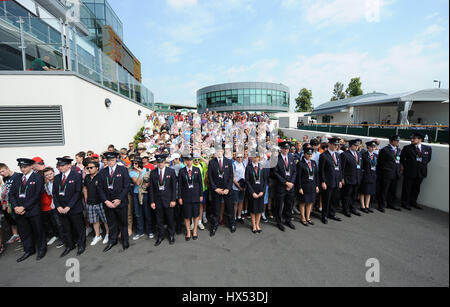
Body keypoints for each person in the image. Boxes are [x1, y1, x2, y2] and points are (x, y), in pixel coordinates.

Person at [9, 158, 47, 262]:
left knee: (38, 231)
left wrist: (23, 207)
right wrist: (16, 207)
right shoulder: (17, 178)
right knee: (24, 232)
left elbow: (37, 195)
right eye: (21, 167)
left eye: (25, 167)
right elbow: (11, 194)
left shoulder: (38, 177)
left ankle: (41, 250)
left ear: (31, 166)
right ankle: (29, 250)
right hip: (19, 211)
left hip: (32, 210)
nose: (22, 169)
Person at [52, 157, 86, 257]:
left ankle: (81, 244)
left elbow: (78, 192)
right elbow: (54, 193)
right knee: (66, 228)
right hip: (61, 209)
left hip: (74, 208)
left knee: (78, 227)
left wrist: (69, 206)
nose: (60, 167)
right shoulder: (57, 177)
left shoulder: (76, 176)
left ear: (69, 165)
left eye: (62, 165)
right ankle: (69, 245)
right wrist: (58, 206)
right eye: (59, 166)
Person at [97, 151, 131, 252]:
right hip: (108, 203)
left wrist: (119, 199)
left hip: (121, 202)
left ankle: (125, 240)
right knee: (111, 223)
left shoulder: (123, 170)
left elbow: (126, 186)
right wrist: (106, 201)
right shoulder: (102, 172)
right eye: (108, 160)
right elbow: (100, 188)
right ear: (105, 161)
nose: (110, 162)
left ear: (116, 159)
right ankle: (112, 240)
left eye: (112, 160)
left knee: (123, 223)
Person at [149, 154, 177, 246]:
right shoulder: (153, 173)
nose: (160, 164)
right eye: (158, 162)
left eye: (162, 162)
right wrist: (152, 201)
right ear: (156, 163)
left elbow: (174, 187)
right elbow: (151, 189)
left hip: (169, 200)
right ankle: (160, 236)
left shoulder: (171, 171)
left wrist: (173, 200)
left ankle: (171, 235)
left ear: (165, 162)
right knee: (159, 220)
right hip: (157, 201)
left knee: (170, 219)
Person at [400, 132, 432, 210]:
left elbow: (428, 159)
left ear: (420, 139)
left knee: (416, 188)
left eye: (414, 138)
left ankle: (413, 202)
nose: (412, 140)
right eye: (412, 138)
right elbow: (402, 159)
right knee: (407, 188)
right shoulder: (407, 148)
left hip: (421, 172)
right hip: (410, 172)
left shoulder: (427, 148)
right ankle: (405, 202)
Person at [208, 147, 235, 236]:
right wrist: (215, 188)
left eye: (220, 151)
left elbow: (231, 176)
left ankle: (232, 224)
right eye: (217, 151)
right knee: (216, 209)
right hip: (217, 190)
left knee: (230, 208)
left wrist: (228, 188)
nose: (218, 152)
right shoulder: (212, 162)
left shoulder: (228, 161)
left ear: (223, 151)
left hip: (227, 189)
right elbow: (210, 177)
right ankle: (214, 226)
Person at [83, 161, 110, 246]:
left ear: (97, 168)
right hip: (90, 203)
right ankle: (97, 235)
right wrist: (86, 198)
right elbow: (85, 188)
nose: (89, 169)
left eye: (91, 167)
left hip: (100, 202)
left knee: (105, 220)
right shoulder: (87, 177)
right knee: (94, 221)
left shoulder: (101, 176)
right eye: (88, 168)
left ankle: (108, 234)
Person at [272, 141, 297, 231]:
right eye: (284, 148)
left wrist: (291, 183)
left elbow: (294, 171)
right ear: (281, 149)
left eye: (287, 149)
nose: (286, 150)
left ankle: (288, 220)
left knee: (289, 204)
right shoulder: (276, 159)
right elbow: (275, 173)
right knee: (279, 205)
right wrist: (286, 183)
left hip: (290, 186)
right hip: (281, 186)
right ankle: (279, 222)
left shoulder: (291, 157)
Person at [178, 154, 203, 241]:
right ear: (185, 161)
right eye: (187, 160)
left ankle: (195, 231)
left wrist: (201, 195)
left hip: (196, 195)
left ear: (192, 161)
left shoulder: (197, 170)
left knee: (196, 214)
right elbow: (180, 185)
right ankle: (188, 232)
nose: (189, 162)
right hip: (186, 196)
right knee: (187, 215)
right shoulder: (182, 171)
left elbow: (200, 183)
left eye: (190, 160)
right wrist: (180, 197)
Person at [319, 138, 343, 224]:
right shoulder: (324, 155)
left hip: (336, 181)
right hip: (328, 181)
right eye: (334, 145)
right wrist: (323, 181)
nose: (336, 146)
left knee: (334, 199)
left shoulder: (337, 155)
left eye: (337, 145)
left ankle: (332, 214)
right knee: (326, 199)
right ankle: (324, 215)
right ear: (329, 145)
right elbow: (321, 170)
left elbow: (339, 169)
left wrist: (340, 180)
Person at [129, 158, 153, 241]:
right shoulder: (131, 172)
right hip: (136, 194)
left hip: (146, 193)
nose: (134, 165)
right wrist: (139, 173)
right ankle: (140, 231)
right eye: (133, 164)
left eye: (136, 163)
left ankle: (150, 231)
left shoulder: (147, 169)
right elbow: (138, 183)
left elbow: (151, 181)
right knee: (138, 213)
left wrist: (148, 184)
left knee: (147, 213)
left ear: (139, 163)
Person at [377, 135, 402, 212]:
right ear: (391, 141)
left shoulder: (398, 150)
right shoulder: (385, 150)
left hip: (395, 173)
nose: (398, 142)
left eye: (398, 141)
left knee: (393, 190)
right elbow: (380, 162)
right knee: (384, 190)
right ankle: (381, 205)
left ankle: (391, 204)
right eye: (396, 141)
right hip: (386, 173)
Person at [41, 167, 65, 248]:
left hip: (64, 205)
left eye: (50, 174)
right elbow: (51, 195)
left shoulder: (60, 181)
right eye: (46, 175)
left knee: (67, 222)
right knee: (59, 224)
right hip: (55, 207)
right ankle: (63, 239)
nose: (49, 176)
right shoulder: (47, 184)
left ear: (54, 173)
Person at [245, 152, 268, 233]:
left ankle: (258, 224)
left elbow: (265, 180)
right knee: (253, 209)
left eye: (257, 157)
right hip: (253, 192)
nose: (256, 158)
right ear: (251, 158)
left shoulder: (262, 167)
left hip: (260, 191)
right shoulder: (248, 167)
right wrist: (252, 192)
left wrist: (263, 191)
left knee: (259, 208)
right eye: (254, 157)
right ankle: (253, 225)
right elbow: (247, 181)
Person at [297, 147, 319, 226]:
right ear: (304, 154)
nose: (309, 155)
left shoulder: (313, 163)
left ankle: (308, 217)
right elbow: (298, 177)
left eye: (311, 154)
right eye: (308, 154)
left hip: (312, 185)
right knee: (303, 202)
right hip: (304, 186)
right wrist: (299, 187)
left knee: (310, 202)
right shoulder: (300, 163)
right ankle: (303, 218)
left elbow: (316, 175)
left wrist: (317, 185)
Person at [340, 139, 363, 218]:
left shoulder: (359, 154)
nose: (357, 147)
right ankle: (346, 209)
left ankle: (352, 208)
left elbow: (360, 167)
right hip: (348, 178)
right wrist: (342, 178)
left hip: (356, 178)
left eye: (357, 146)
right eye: (355, 145)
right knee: (347, 195)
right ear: (350, 146)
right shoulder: (345, 154)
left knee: (354, 195)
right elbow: (342, 168)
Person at [0, 163, 21, 245]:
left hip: (16, 202)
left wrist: (12, 204)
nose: (2, 173)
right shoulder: (4, 178)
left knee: (19, 219)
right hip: (8, 201)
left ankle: (24, 235)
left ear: (7, 168)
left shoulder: (18, 176)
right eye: (0, 173)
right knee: (10, 219)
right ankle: (16, 234)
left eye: (3, 171)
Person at [359, 141, 378, 213]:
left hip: (373, 175)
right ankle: (362, 206)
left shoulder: (376, 155)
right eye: (371, 147)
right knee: (363, 191)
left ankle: (367, 206)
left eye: (374, 147)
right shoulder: (363, 155)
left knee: (369, 192)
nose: (372, 148)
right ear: (368, 147)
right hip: (365, 175)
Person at [232, 153, 246, 224]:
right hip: (235, 187)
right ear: (235, 157)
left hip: (242, 187)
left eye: (241, 157)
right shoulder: (233, 165)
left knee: (241, 202)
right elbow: (232, 177)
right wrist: (238, 186)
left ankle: (239, 216)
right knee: (235, 203)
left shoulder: (243, 164)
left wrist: (243, 186)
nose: (240, 158)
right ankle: (234, 217)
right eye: (238, 157)